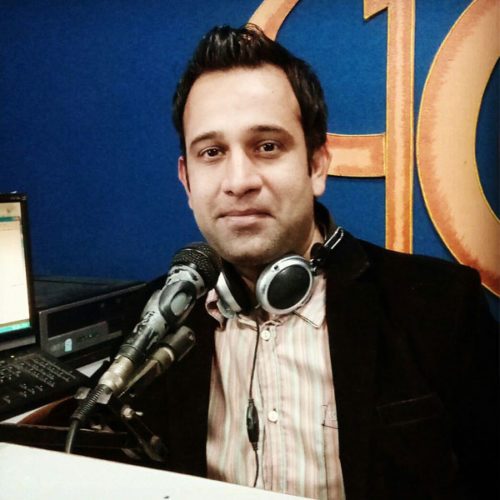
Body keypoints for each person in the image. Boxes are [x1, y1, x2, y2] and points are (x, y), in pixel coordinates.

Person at [139, 24, 498, 500]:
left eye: (267, 146)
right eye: (212, 152)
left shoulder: (440, 307)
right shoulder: (154, 322)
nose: (238, 181)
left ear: (316, 165)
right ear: (187, 181)